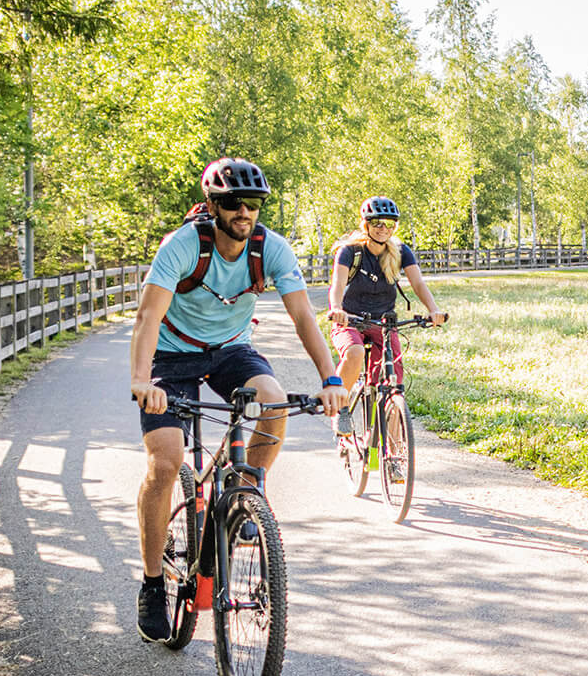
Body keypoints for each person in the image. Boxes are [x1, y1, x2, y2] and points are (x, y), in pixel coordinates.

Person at [130, 156, 346, 643]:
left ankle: (248, 488)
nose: (243, 212)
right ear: (212, 205)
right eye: (232, 203)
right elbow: (147, 318)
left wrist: (330, 378)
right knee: (165, 464)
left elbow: (304, 318)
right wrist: (142, 380)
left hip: (231, 351)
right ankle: (149, 583)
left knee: (272, 400)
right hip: (171, 357)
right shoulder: (184, 246)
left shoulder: (271, 248)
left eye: (253, 203)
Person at [326, 196, 446, 432]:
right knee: (355, 352)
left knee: (393, 383)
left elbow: (418, 283)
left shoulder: (401, 251)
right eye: (377, 222)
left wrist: (433, 310)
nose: (383, 229)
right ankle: (341, 406)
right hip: (351, 320)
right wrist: (336, 308)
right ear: (366, 224)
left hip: (383, 323)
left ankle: (394, 452)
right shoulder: (350, 251)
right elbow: (337, 285)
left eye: (389, 224)